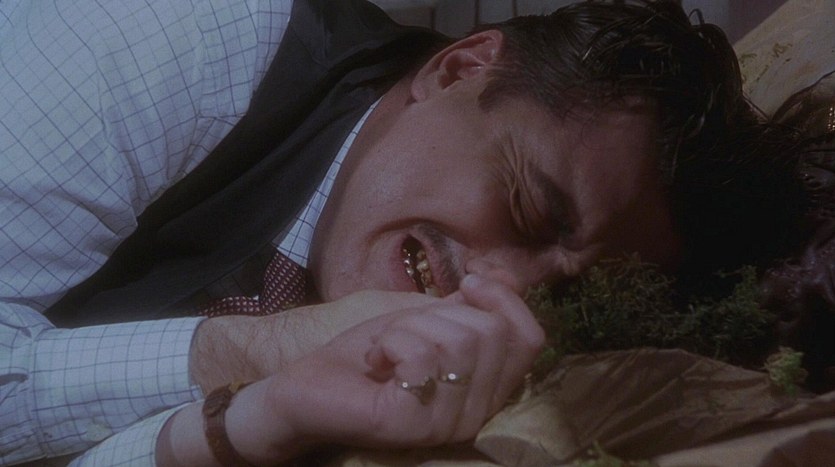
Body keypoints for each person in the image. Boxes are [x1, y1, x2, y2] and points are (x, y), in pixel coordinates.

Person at [0, 0, 806, 465]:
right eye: (527, 208)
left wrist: (243, 421)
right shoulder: (183, 29)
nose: (498, 288)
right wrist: (255, 348)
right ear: (458, 70)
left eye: (566, 292)